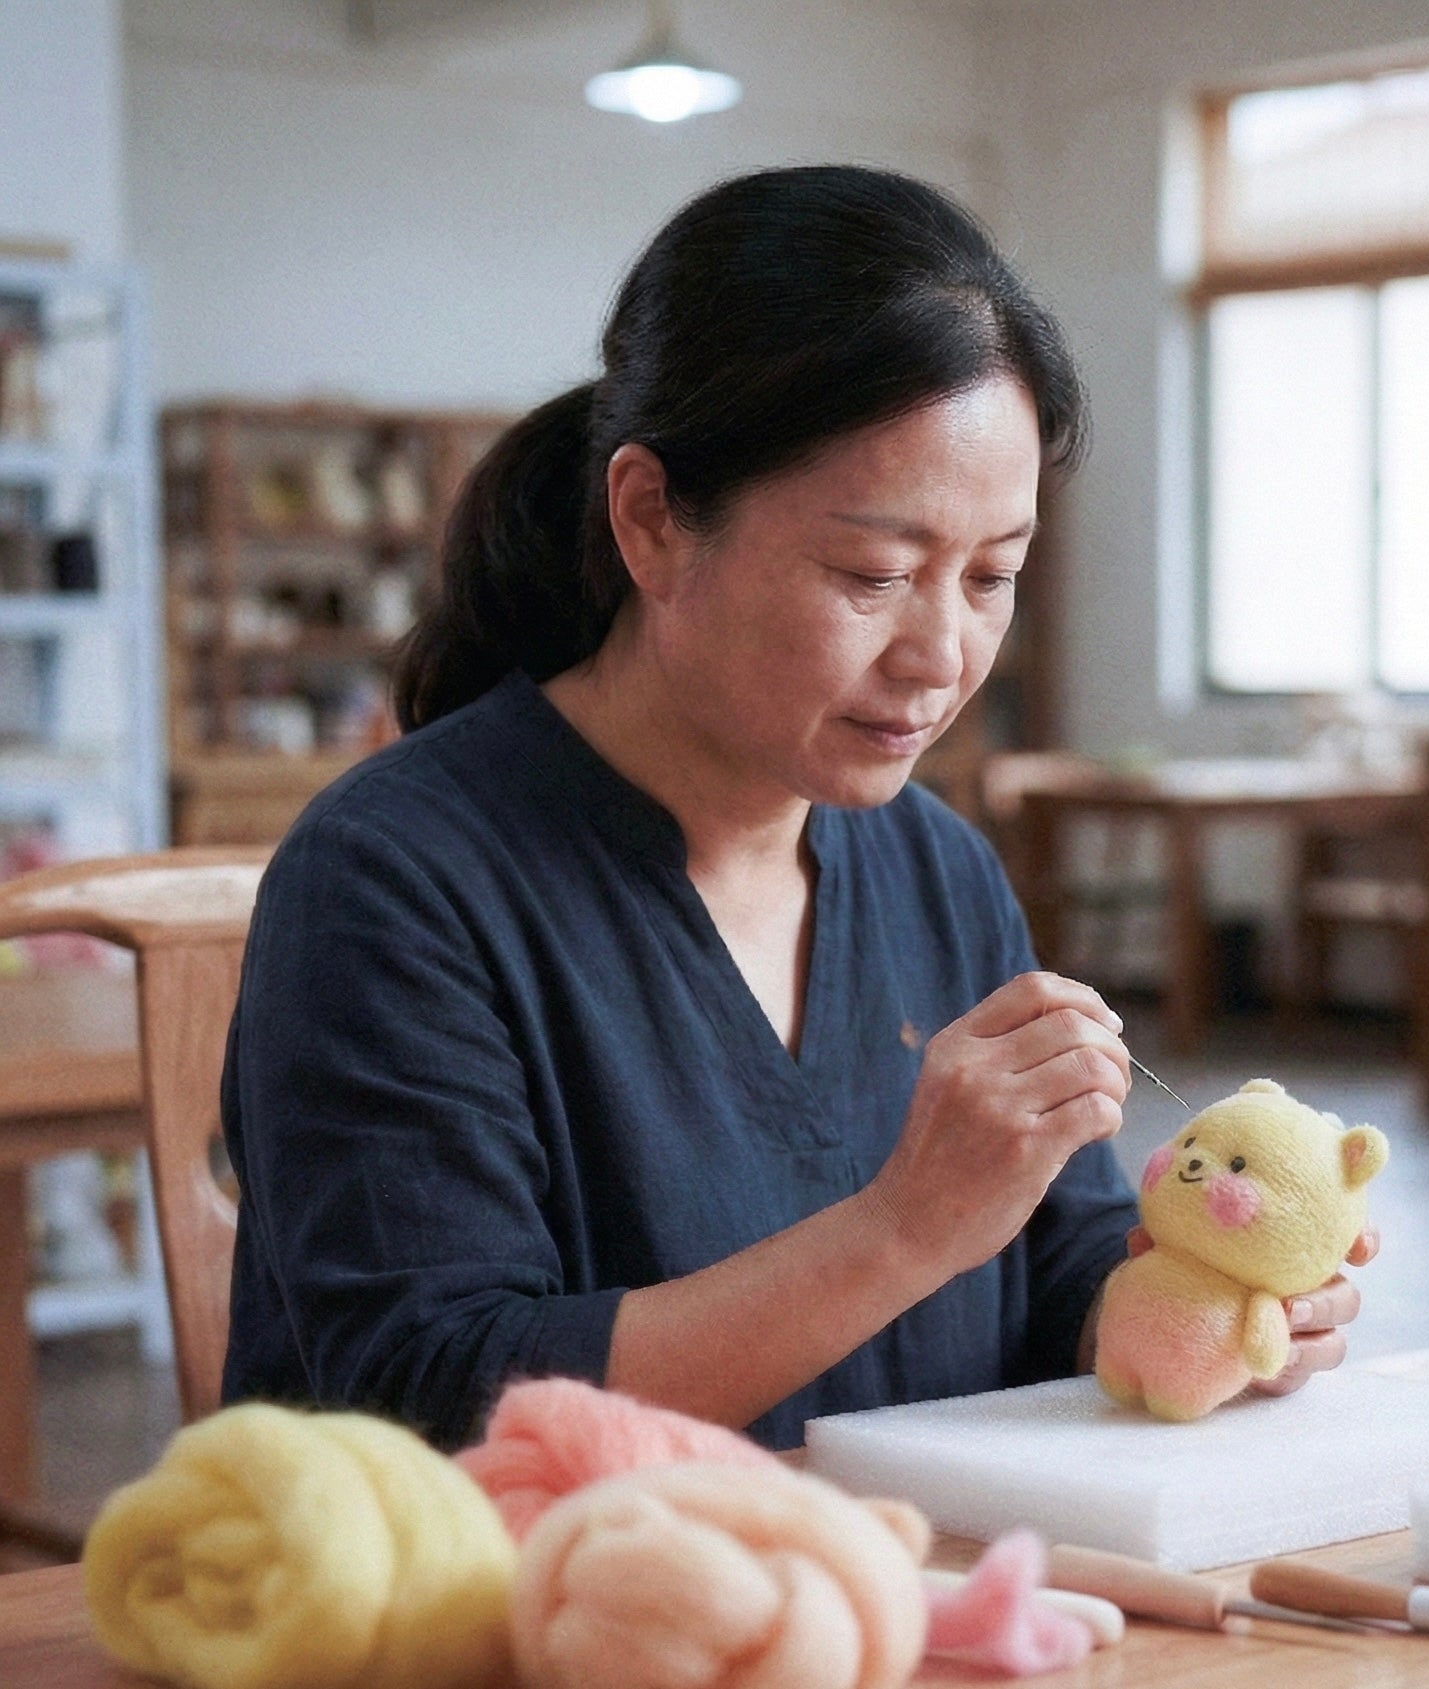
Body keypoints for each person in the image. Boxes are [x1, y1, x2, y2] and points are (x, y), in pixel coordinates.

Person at [220, 165, 1369, 1452]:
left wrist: (1195, 1308)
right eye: (873, 574)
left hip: (916, 1605)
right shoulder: (394, 878)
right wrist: (902, 1231)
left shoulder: (935, 863)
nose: (941, 655)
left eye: (994, 576)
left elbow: (1057, 1260)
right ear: (654, 522)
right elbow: (434, 1401)